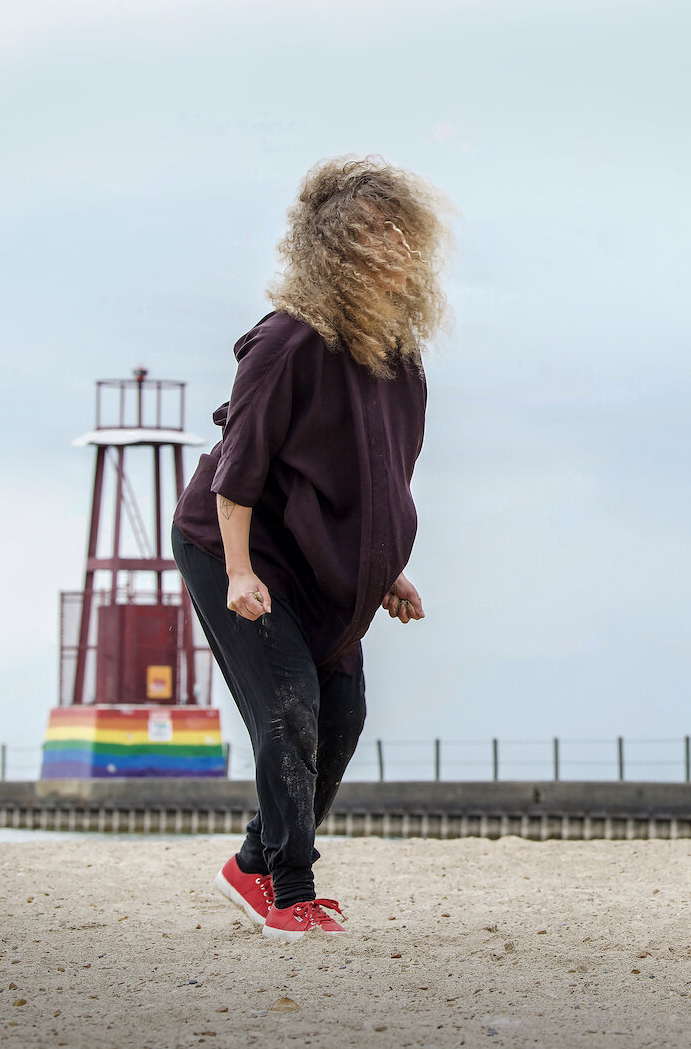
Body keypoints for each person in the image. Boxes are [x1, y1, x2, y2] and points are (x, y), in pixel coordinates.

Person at [173, 155, 452, 940]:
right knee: (288, 706)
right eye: (371, 233)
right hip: (236, 544)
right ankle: (290, 891)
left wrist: (388, 567)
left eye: (401, 231)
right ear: (333, 249)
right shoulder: (289, 343)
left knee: (344, 713)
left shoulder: (402, 365)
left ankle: (252, 862)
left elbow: (376, 478)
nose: (392, 246)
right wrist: (236, 572)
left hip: (324, 563)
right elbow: (237, 472)